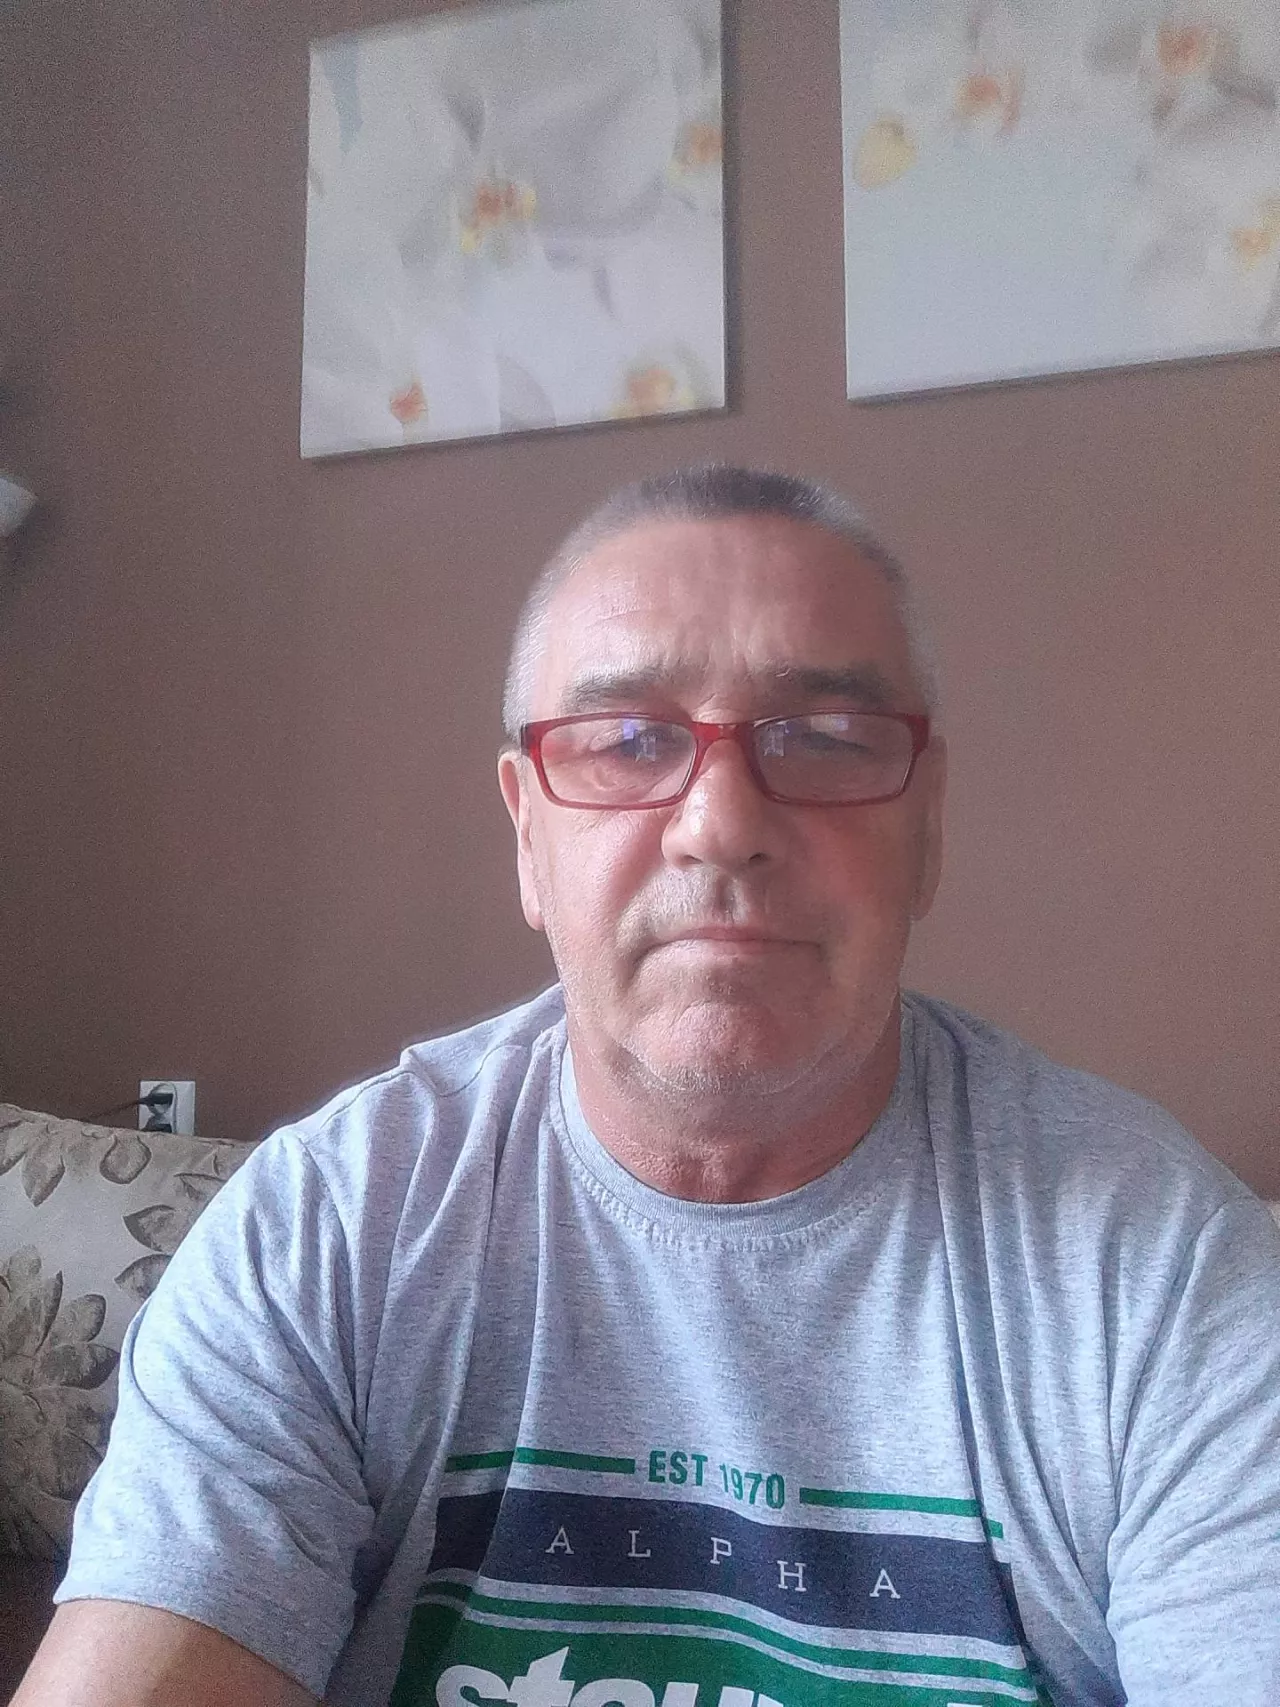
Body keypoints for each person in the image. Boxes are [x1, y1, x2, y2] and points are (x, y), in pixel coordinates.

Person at [17, 466, 1280, 1707]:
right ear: (528, 834)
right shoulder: (327, 1230)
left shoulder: (1164, 1276)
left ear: (926, 826)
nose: (717, 823)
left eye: (821, 739)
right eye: (625, 742)